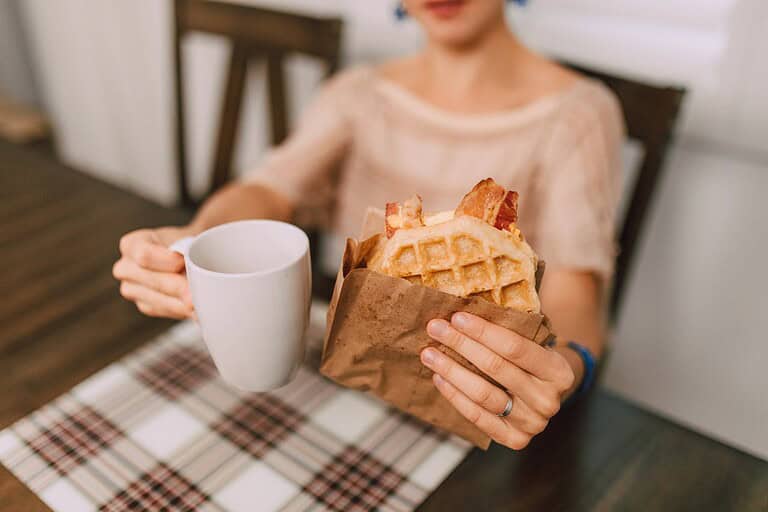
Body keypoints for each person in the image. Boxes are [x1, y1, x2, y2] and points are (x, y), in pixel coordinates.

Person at [113, 0, 623, 451]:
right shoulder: (357, 95)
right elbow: (267, 190)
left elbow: (576, 292)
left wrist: (569, 367)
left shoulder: (579, 114)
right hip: (349, 382)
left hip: (485, 406)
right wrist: (197, 243)